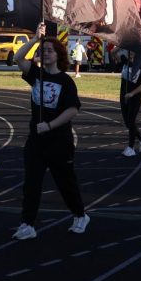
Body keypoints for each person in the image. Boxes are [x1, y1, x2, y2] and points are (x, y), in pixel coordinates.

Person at [11, 22, 89, 240]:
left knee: (65, 183)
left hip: (59, 141)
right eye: (42, 51)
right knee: (32, 183)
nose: (45, 53)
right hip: (36, 141)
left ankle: (80, 215)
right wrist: (36, 39)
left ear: (58, 55)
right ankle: (27, 224)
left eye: (49, 50)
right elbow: (18, 59)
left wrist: (50, 125)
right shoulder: (36, 75)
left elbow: (73, 109)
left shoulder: (65, 81)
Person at [119, 45, 141, 157]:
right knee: (127, 123)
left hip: (134, 97)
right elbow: (113, 55)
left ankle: (131, 148)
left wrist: (132, 93)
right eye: (129, 50)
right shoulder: (125, 61)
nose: (131, 52)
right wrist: (117, 47)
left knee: (131, 121)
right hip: (123, 96)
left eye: (133, 51)